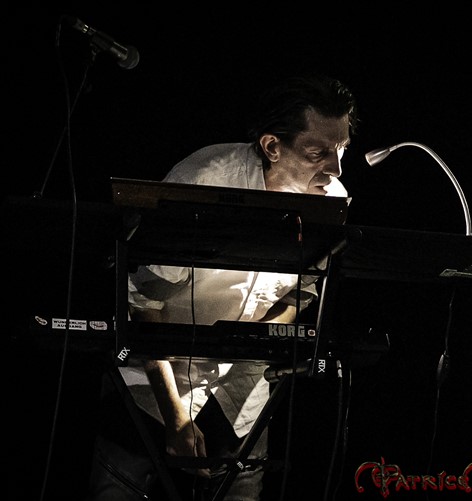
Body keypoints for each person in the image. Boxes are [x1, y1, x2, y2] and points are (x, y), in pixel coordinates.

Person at [85, 74, 359, 501]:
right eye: (317, 152)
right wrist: (176, 417)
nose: (335, 168)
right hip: (159, 371)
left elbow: (301, 293)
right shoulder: (205, 179)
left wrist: (256, 339)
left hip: (243, 380)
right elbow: (142, 302)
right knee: (118, 488)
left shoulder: (331, 200)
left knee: (241, 489)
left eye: (341, 150)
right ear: (272, 146)